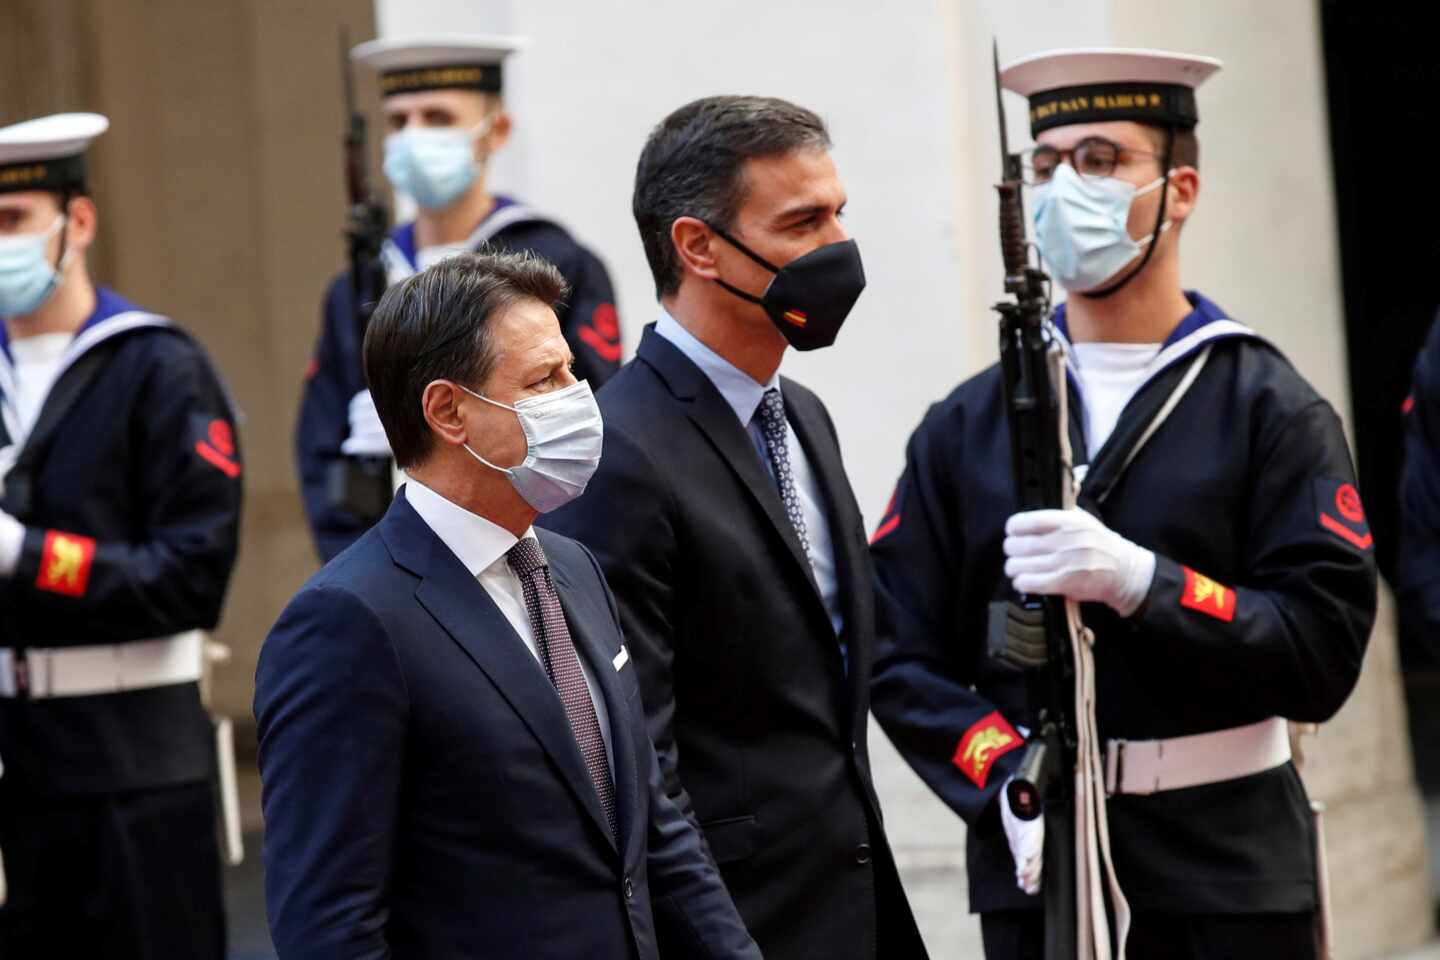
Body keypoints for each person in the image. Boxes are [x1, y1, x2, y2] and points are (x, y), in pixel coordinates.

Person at [868, 49, 1378, 959]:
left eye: (1101, 160)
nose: (1068, 189)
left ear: (1179, 189)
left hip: (1225, 866)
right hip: (1040, 861)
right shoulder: (968, 422)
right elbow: (892, 645)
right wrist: (1002, 779)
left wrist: (1148, 582)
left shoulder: (1267, 408)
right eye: (1047, 165)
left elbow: (1322, 650)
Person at [257, 250, 760, 960]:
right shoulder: (349, 621)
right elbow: (331, 925)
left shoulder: (574, 568)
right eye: (543, 379)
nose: (577, 396)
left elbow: (658, 828)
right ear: (447, 411)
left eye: (571, 371)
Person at [542, 95, 927, 959]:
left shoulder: (804, 416)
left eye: (839, 214)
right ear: (697, 246)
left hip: (855, 907)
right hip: (738, 926)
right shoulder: (620, 452)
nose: (837, 247)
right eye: (802, 221)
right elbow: (635, 758)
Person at [0, 113, 243, 958]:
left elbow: (192, 575)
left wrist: (21, 557)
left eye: (13, 220)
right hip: (15, 769)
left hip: (133, 761)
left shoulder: (156, 367)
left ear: (81, 222)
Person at [296, 35, 624, 562]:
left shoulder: (556, 262)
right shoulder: (356, 285)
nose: (414, 137)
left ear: (495, 131)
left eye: (439, 118)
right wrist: (356, 556)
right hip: (396, 557)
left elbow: (594, 424)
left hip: (532, 546)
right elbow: (319, 444)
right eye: (400, 122)